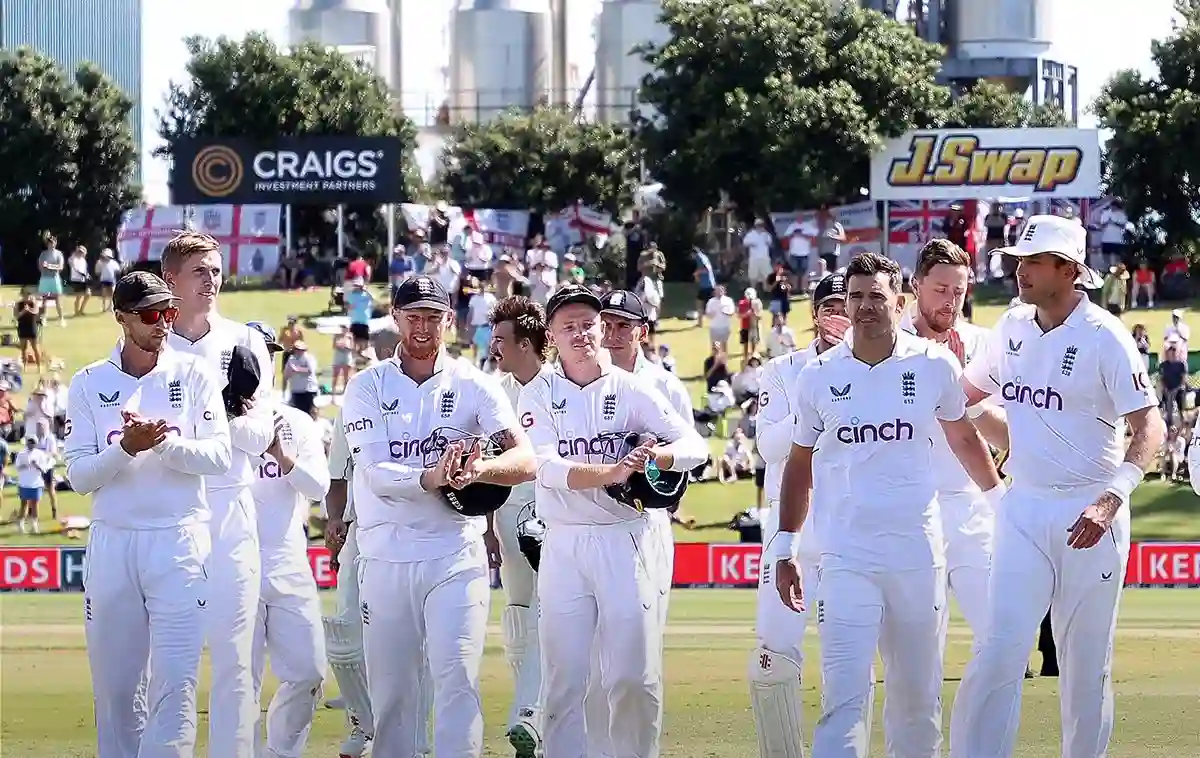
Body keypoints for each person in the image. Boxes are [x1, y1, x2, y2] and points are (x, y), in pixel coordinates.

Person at [772, 252, 1004, 758]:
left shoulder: (933, 363)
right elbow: (798, 464)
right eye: (855, 297)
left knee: (917, 702)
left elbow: (964, 438)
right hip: (846, 557)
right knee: (844, 697)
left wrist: (1001, 506)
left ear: (899, 302)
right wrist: (786, 544)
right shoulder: (817, 375)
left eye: (876, 296)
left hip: (917, 555)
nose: (864, 307)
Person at [951, 215, 1166, 758]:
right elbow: (966, 396)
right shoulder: (1012, 326)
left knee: (1084, 665)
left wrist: (1110, 499)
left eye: (1034, 261)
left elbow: (1150, 428)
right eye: (1018, 260)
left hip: (1090, 513)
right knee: (999, 651)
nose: (1020, 270)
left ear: (1069, 270)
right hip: (1023, 508)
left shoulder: (1106, 336)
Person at [341, 274, 536, 757]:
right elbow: (375, 472)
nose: (424, 327)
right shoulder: (367, 386)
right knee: (393, 693)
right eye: (414, 317)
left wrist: (480, 470)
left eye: (433, 317)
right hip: (386, 556)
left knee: (457, 679)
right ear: (396, 318)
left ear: (450, 320)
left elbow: (526, 459)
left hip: (455, 553)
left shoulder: (474, 384)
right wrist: (432, 477)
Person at [517, 284, 709, 758]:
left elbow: (696, 448)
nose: (580, 333)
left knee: (631, 675)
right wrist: (612, 471)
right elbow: (545, 468)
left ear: (603, 329)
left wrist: (656, 457)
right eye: (568, 326)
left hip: (627, 540)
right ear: (551, 335)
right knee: (565, 677)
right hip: (564, 543)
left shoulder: (634, 389)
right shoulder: (536, 393)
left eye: (589, 323)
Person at [65, 271, 231, 757]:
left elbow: (218, 457)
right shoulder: (90, 382)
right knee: (117, 691)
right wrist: (126, 449)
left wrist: (163, 444)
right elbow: (79, 477)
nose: (164, 323)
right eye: (152, 314)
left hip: (179, 540)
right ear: (122, 318)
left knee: (174, 686)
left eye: (169, 313)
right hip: (114, 542)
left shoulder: (194, 375)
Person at [161, 231, 276, 756]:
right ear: (171, 281)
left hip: (231, 506)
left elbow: (259, 438)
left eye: (216, 269)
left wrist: (223, 414)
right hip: (169, 511)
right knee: (168, 659)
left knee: (236, 657)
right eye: (200, 272)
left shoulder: (245, 342)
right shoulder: (150, 346)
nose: (213, 280)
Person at [749, 272, 853, 758]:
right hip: (788, 519)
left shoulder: (874, 368)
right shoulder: (783, 370)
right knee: (773, 652)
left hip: (847, 518)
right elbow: (770, 447)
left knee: (845, 652)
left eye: (847, 304)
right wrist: (819, 395)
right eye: (831, 306)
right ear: (813, 314)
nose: (840, 314)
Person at [592, 288, 697, 758]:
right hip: (586, 526)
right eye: (606, 324)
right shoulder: (578, 381)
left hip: (647, 527)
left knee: (639, 662)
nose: (612, 334)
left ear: (642, 332)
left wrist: (654, 463)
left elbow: (689, 459)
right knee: (590, 664)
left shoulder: (665, 386)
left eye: (622, 326)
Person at [903, 239, 1011, 656]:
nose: (950, 302)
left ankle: (986, 723)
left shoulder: (984, 346)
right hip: (912, 509)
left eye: (959, 292)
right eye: (940, 290)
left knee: (1001, 639)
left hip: (973, 504)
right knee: (922, 649)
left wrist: (970, 393)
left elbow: (1007, 439)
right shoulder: (891, 347)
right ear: (916, 285)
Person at [247, 322, 331, 758]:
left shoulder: (297, 422)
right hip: (231, 562)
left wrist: (282, 455)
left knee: (309, 672)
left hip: (286, 559)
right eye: (250, 352)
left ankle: (278, 754)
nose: (260, 362)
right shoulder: (210, 422)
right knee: (241, 683)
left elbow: (318, 488)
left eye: (267, 354)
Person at [489, 295, 554, 757]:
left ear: (526, 344)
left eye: (501, 340)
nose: (494, 349)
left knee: (548, 613)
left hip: (554, 514)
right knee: (517, 610)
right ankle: (529, 715)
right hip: (509, 515)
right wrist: (491, 524)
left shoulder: (560, 386)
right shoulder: (495, 390)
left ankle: (529, 713)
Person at [14, 435, 53, 534]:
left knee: (35, 505)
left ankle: (34, 525)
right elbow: (17, 467)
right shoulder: (21, 454)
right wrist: (25, 465)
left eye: (33, 442)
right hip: (24, 483)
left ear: (35, 444)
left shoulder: (40, 454)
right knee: (24, 504)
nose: (31, 444)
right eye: (29, 442)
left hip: (36, 483)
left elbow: (44, 469)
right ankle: (21, 525)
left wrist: (36, 465)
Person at [37, 234, 66, 326]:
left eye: (53, 242)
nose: (51, 244)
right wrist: (45, 266)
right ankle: (43, 318)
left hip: (55, 278)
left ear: (55, 243)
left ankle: (61, 319)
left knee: (58, 299)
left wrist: (49, 266)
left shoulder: (59, 254)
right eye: (49, 242)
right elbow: (40, 267)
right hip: (45, 279)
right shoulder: (43, 254)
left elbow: (60, 267)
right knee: (44, 300)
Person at [283, 341, 319, 413]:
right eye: (296, 349)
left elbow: (310, 371)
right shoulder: (291, 359)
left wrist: (297, 369)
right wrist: (290, 372)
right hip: (296, 390)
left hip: (309, 390)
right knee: (298, 413)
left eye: (300, 349)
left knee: (310, 412)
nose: (298, 351)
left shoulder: (309, 358)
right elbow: (286, 374)